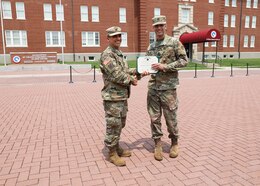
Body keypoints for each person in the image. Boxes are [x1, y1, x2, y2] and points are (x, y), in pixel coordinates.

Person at [146, 15, 188, 161]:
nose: (159, 28)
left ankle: (174, 143)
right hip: (153, 88)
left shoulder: (174, 42)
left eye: (161, 25)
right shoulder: (151, 46)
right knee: (154, 118)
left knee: (171, 117)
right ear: (154, 28)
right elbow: (147, 65)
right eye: (156, 26)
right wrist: (143, 71)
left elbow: (184, 60)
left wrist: (166, 67)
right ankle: (157, 144)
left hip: (168, 88)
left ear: (165, 26)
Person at [100, 26, 140, 166]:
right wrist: (131, 79)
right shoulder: (107, 55)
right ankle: (111, 153)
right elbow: (116, 74)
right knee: (113, 125)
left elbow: (124, 70)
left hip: (122, 97)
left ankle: (116, 146)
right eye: (114, 36)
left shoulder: (118, 53)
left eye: (119, 36)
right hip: (112, 98)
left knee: (121, 123)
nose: (118, 38)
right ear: (108, 38)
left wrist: (139, 71)